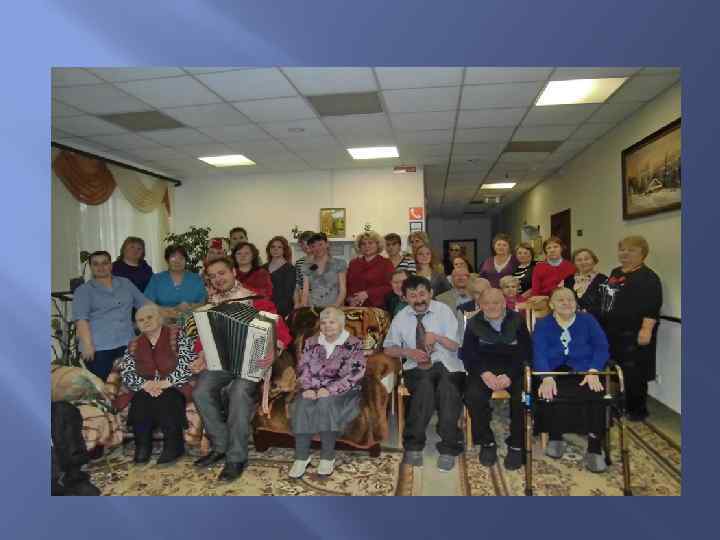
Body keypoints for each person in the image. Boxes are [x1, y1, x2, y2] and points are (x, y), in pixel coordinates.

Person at [190, 257, 292, 482]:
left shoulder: (257, 299)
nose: (218, 279)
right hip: (222, 363)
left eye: (222, 273)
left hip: (253, 362)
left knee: (238, 392)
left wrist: (273, 351)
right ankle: (221, 446)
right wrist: (201, 355)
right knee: (200, 391)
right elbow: (203, 337)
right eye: (212, 276)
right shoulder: (211, 304)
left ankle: (236, 457)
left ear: (234, 272)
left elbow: (282, 332)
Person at [383, 275, 465, 472]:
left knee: (447, 388)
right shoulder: (401, 317)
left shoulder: (444, 311)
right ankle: (413, 445)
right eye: (413, 296)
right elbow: (388, 348)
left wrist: (436, 337)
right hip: (416, 366)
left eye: (422, 294)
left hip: (448, 364)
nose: (419, 300)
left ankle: (449, 447)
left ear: (431, 293)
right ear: (404, 298)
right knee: (424, 387)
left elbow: (456, 346)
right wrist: (408, 352)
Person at [533, 287, 611, 473]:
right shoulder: (543, 324)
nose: (566, 303)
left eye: (570, 299)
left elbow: (602, 347)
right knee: (550, 392)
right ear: (552, 304)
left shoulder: (588, 320)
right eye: (560, 300)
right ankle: (555, 436)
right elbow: (538, 352)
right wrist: (546, 376)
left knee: (596, 394)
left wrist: (594, 371)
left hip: (585, 370)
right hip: (554, 370)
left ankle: (594, 448)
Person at [288, 307, 366, 479]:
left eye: (332, 322)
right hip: (314, 388)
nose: (327, 326)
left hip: (344, 390)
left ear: (341, 324)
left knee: (326, 402)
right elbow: (303, 368)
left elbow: (355, 373)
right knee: (302, 403)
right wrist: (308, 388)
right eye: (323, 322)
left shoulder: (354, 343)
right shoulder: (311, 342)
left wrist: (329, 390)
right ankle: (301, 457)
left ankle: (327, 456)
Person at [460, 288, 531, 470]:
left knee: (524, 397)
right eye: (487, 303)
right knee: (473, 396)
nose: (491, 307)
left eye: (496, 302)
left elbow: (525, 351)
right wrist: (484, 373)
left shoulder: (517, 320)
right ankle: (487, 442)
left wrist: (510, 375)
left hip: (513, 368)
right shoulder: (474, 323)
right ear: (480, 305)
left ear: (504, 303)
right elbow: (468, 354)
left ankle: (516, 443)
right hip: (484, 369)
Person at [115, 304, 194, 465]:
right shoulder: (133, 344)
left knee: (167, 399)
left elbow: (187, 363)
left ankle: (174, 446)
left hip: (175, 385)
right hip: (146, 386)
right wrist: (146, 385)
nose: (145, 321)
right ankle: (142, 446)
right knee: (140, 401)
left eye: (149, 317)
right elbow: (127, 372)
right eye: (140, 320)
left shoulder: (178, 335)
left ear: (159, 318)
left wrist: (165, 383)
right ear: (136, 324)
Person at [600, 235, 662, 421]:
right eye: (622, 250)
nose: (625, 253)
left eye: (631, 250)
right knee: (615, 369)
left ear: (643, 254)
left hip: (635, 332)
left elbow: (653, 306)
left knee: (635, 372)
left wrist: (646, 329)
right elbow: (608, 297)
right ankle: (618, 404)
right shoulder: (616, 272)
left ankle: (637, 410)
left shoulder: (649, 277)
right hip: (613, 331)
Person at [72, 251, 148, 381]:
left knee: (130, 383)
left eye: (105, 263)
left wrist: (170, 311)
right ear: (91, 267)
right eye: (96, 264)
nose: (100, 267)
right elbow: (81, 320)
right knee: (105, 386)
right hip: (99, 348)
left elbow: (145, 304)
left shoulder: (125, 283)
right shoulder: (83, 290)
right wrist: (88, 345)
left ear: (111, 265)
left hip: (127, 343)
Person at [144, 245, 207, 324]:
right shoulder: (157, 279)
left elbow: (203, 302)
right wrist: (170, 310)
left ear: (185, 260)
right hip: (163, 322)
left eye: (181, 258)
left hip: (192, 323)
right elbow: (147, 303)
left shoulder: (196, 279)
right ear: (167, 260)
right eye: (173, 258)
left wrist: (190, 305)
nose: (177, 262)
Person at [346, 231, 394, 308]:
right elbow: (347, 285)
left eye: (370, 243)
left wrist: (368, 293)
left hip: (377, 307)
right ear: (359, 247)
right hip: (354, 307)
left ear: (378, 245)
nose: (367, 246)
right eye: (363, 244)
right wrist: (350, 299)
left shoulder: (386, 263)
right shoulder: (353, 263)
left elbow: (390, 286)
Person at [301, 232, 347, 308]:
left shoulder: (339, 263)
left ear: (327, 244)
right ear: (310, 248)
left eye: (320, 244)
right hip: (313, 307)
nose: (317, 248)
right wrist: (303, 307)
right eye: (313, 246)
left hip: (334, 307)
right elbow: (305, 291)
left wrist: (335, 306)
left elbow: (342, 290)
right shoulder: (307, 266)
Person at [564, 248, 607, 322]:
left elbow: (605, 306)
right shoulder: (568, 280)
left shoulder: (604, 280)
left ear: (594, 261)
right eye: (579, 260)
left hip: (595, 322)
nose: (583, 262)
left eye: (586, 259)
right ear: (574, 263)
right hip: (571, 321)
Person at [263, 236, 296, 318]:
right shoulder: (263, 268)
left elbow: (288, 295)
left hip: (282, 311)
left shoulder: (290, 269)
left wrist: (276, 311)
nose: (275, 249)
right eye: (273, 247)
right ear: (269, 249)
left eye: (279, 247)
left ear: (284, 250)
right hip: (263, 308)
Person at [294, 230, 315, 308]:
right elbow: (297, 285)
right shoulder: (299, 263)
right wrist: (297, 302)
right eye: (303, 243)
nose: (306, 245)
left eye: (308, 242)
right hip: (304, 301)